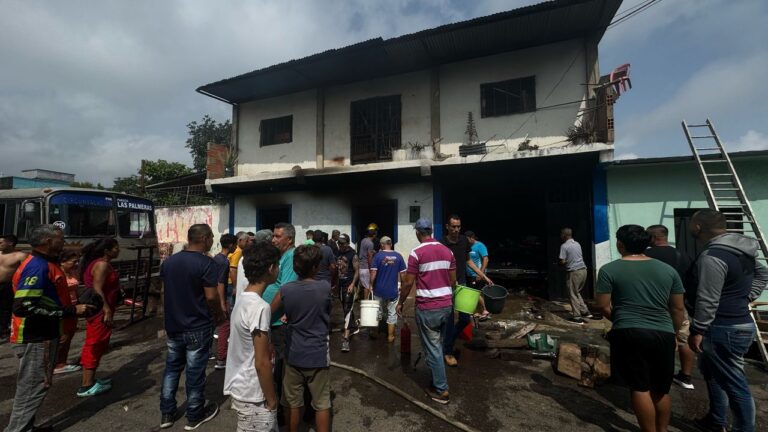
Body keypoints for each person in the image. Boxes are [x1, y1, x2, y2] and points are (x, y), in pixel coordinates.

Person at [595, 225, 685, 432]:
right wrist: (674, 333)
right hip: (664, 332)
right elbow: (678, 308)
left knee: (640, 387)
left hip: (629, 332)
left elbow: (602, 305)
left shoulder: (610, 269)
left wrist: (620, 318)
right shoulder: (668, 270)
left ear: (620, 244)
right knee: (661, 390)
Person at [5, 225, 92, 432]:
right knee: (33, 387)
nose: (64, 241)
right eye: (60, 238)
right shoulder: (37, 266)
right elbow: (24, 306)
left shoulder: (45, 264)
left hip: (41, 335)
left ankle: (26, 427)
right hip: (35, 337)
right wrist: (68, 312)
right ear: (47, 241)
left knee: (33, 385)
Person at [687, 209, 767, 432]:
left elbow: (707, 298)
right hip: (737, 323)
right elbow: (763, 274)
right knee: (712, 374)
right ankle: (716, 420)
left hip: (723, 327)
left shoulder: (713, 256)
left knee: (736, 385)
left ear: (698, 227)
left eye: (691, 224)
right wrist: (746, 296)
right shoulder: (741, 250)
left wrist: (698, 329)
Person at [159, 224, 224, 430]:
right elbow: (212, 296)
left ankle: (167, 413)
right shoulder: (206, 263)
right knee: (195, 371)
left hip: (174, 324)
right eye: (212, 237)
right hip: (197, 325)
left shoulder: (169, 262)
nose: (213, 240)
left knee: (172, 369)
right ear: (204, 238)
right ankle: (195, 413)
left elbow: (163, 293)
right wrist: (219, 315)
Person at [270, 245, 332, 432]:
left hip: (294, 353)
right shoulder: (324, 287)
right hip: (318, 353)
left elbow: (269, 311)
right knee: (321, 402)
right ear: (315, 267)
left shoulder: (286, 290)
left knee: (292, 402)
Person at [396, 218, 455, 404]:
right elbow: (452, 281)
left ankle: (442, 390)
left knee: (433, 349)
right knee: (438, 344)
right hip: (446, 306)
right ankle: (436, 379)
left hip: (428, 308)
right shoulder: (448, 251)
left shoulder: (416, 253)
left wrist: (400, 302)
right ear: (431, 231)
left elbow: (407, 282)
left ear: (418, 233)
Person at [224, 243, 281, 432]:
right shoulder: (260, 307)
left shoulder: (243, 298)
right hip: (253, 393)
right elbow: (261, 362)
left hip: (241, 387)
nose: (279, 269)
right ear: (271, 269)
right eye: (278, 265)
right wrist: (272, 400)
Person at [645, 224, 696, 390]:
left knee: (653, 340)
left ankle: (653, 374)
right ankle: (686, 376)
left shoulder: (645, 255)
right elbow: (691, 282)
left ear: (652, 238)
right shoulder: (682, 256)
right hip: (679, 306)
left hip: (652, 305)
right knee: (683, 340)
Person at [441, 215, 492, 367]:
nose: (456, 229)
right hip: (447, 285)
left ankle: (447, 342)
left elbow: (468, 260)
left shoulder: (464, 240)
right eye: (453, 226)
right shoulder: (442, 243)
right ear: (447, 227)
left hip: (461, 283)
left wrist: (483, 276)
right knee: (449, 320)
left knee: (464, 318)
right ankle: (448, 351)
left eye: (458, 227)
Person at [76, 237, 121, 397]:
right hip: (100, 310)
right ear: (106, 251)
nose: (118, 250)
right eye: (115, 248)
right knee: (94, 344)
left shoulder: (100, 263)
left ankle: (91, 379)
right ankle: (86, 385)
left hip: (102, 308)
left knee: (100, 343)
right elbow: (97, 288)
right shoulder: (101, 265)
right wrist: (106, 309)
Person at [263, 223, 299, 417]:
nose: (273, 239)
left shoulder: (291, 257)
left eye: (277, 236)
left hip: (280, 323)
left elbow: (284, 290)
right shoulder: (281, 256)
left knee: (284, 369)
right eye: (273, 236)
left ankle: (285, 412)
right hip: (274, 322)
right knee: (277, 366)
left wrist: (266, 312)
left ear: (289, 239)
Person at [370, 236, 406, 343]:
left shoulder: (377, 256)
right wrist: (403, 288)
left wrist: (370, 285)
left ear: (381, 244)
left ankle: (375, 332)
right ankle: (390, 336)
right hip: (393, 291)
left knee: (378, 312)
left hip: (379, 290)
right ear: (390, 244)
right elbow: (403, 276)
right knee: (392, 313)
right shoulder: (399, 256)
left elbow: (373, 274)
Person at [53, 250, 82, 374]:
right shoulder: (57, 273)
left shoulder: (73, 272)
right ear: (63, 262)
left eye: (77, 262)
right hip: (62, 308)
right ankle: (56, 364)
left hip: (74, 307)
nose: (76, 264)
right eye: (73, 262)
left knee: (69, 335)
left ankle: (62, 361)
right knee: (63, 337)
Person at [213, 233, 237, 370]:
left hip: (214, 297)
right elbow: (221, 282)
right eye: (235, 245)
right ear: (230, 245)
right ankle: (221, 358)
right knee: (224, 327)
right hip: (221, 297)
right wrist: (222, 303)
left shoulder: (217, 258)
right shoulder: (224, 261)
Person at [559, 227, 591, 324]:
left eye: (561, 234)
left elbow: (563, 260)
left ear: (565, 235)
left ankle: (577, 317)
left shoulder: (564, 246)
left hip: (574, 272)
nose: (560, 236)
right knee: (577, 292)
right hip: (583, 270)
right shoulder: (577, 244)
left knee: (572, 294)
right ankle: (585, 312)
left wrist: (560, 264)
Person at [0, 234, 27, 340]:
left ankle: (4, 331)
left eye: (1, 242)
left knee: (4, 309)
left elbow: (25, 272)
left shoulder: (19, 256)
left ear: (10, 243)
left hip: (7, 285)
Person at [335, 234, 359, 352]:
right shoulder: (338, 253)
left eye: (342, 243)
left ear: (348, 243)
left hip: (349, 285)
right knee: (346, 308)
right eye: (339, 243)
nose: (340, 245)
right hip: (340, 285)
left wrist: (352, 284)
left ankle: (346, 339)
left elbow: (357, 271)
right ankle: (353, 326)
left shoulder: (352, 254)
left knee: (347, 309)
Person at [465, 231, 491, 319]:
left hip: (477, 274)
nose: (467, 241)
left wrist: (481, 273)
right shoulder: (467, 246)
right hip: (469, 274)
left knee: (475, 293)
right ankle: (480, 311)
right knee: (472, 293)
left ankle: (484, 311)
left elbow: (486, 259)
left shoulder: (480, 246)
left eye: (468, 239)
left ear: (472, 238)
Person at [358, 223, 377, 299]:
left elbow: (364, 251)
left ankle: (364, 299)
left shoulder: (363, 240)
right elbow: (369, 257)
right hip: (366, 267)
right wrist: (371, 268)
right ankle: (366, 302)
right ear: (374, 235)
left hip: (361, 267)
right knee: (367, 287)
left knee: (364, 285)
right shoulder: (370, 243)